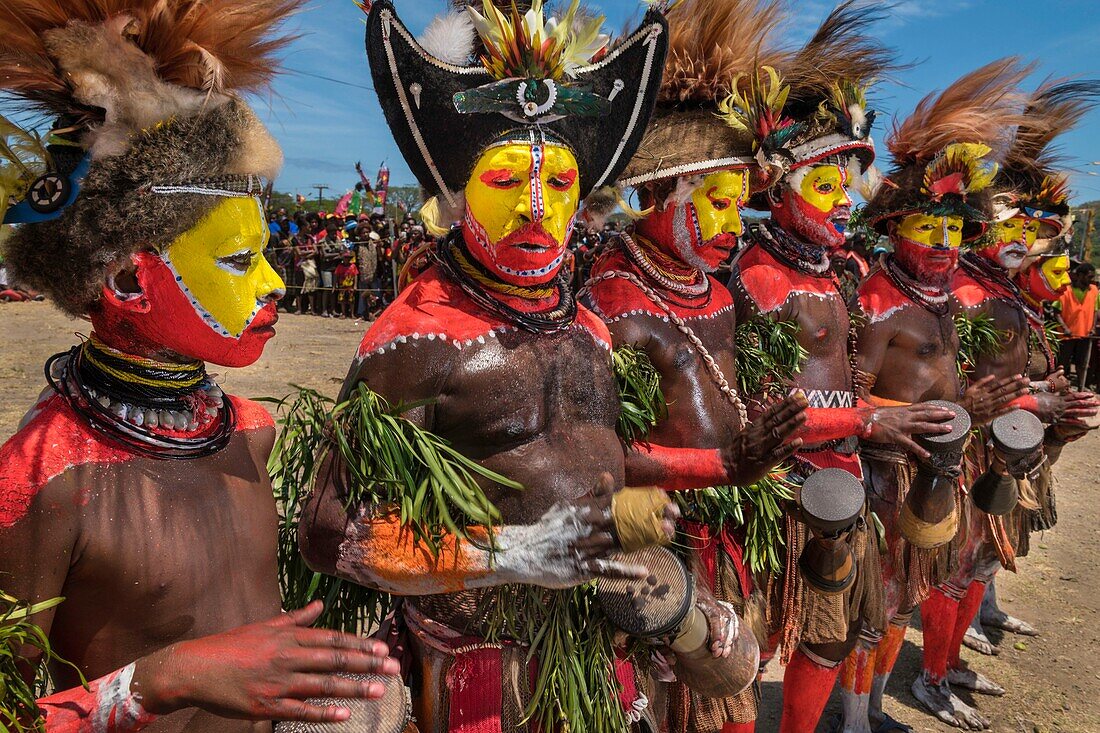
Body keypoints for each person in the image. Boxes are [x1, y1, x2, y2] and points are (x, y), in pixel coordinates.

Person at [0, 3, 397, 731]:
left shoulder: (252, 429)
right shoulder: (43, 480)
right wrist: (156, 681)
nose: (276, 281)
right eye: (241, 261)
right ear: (127, 281)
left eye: (267, 252)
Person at [296, 2, 679, 731]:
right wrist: (514, 550)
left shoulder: (591, 327)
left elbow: (593, 468)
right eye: (506, 182)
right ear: (456, 193)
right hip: (473, 661)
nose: (538, 211)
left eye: (560, 184)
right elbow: (326, 530)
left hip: (593, 647)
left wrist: (715, 468)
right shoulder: (414, 336)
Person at [724, 6, 957, 731]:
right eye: (823, 184)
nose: (843, 200)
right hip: (779, 493)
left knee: (828, 638)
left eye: (845, 184)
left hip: (847, 487)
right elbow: (765, 410)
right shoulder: (757, 278)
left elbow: (850, 373)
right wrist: (868, 417)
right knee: (752, 643)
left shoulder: (841, 274)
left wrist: (876, 417)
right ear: (781, 185)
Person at [583, 2, 814, 729]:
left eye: (738, 205)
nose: (728, 226)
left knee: (735, 704)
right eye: (711, 202)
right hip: (658, 543)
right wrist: (717, 466)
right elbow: (596, 455)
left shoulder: (725, 289)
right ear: (654, 193)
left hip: (731, 529)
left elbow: (745, 390)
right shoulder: (610, 303)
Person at [854, 59, 1033, 732]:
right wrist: (922, 418)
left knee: (906, 599)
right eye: (928, 227)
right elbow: (854, 400)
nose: (943, 242)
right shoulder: (878, 294)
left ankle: (874, 705)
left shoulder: (941, 299)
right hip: (885, 476)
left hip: (940, 468)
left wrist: (977, 413)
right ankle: (853, 715)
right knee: (876, 605)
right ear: (896, 227)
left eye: (954, 229)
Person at [928, 80, 1100, 720]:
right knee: (953, 564)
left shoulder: (1007, 291)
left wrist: (1045, 395)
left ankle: (948, 664)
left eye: (1039, 230)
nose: (1029, 241)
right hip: (964, 453)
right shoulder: (958, 290)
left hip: (1002, 453)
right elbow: (958, 389)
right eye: (1019, 225)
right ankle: (933, 674)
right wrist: (1032, 404)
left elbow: (1011, 378)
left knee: (979, 562)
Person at [1057, 262, 1098, 390]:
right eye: (1089, 277)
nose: (1091, 280)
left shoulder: (1094, 291)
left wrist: (1092, 328)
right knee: (1062, 363)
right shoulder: (1066, 290)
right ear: (1080, 275)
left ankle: (1081, 386)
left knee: (1083, 363)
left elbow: (1095, 311)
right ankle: (1057, 386)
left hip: (1085, 335)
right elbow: (1056, 312)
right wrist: (1065, 328)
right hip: (1067, 336)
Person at [334, 249, 359, 319]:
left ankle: (352, 313)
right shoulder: (339, 266)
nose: (346, 259)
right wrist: (335, 284)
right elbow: (336, 275)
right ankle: (343, 313)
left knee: (351, 300)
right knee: (342, 300)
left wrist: (355, 285)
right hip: (342, 286)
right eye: (345, 258)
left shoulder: (353, 266)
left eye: (348, 258)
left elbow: (356, 275)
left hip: (350, 286)